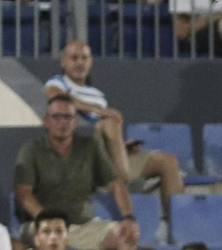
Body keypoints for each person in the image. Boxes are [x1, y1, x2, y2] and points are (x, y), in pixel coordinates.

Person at [46, 41, 185, 213]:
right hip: (85, 159)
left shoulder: (97, 95)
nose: (80, 63)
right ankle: (122, 178)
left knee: (167, 162)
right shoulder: (57, 83)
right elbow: (58, 98)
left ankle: (175, 222)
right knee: (110, 122)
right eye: (74, 58)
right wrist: (101, 111)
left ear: (90, 62)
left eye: (84, 58)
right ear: (63, 61)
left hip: (110, 156)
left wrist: (123, 146)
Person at [15, 97, 139, 250]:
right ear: (47, 121)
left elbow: (116, 184)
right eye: (57, 117)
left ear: (75, 122)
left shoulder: (90, 146)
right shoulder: (31, 149)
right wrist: (47, 219)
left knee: (126, 236)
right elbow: (23, 194)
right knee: (46, 237)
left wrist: (128, 218)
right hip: (43, 223)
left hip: (84, 226)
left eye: (68, 117)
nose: (63, 122)